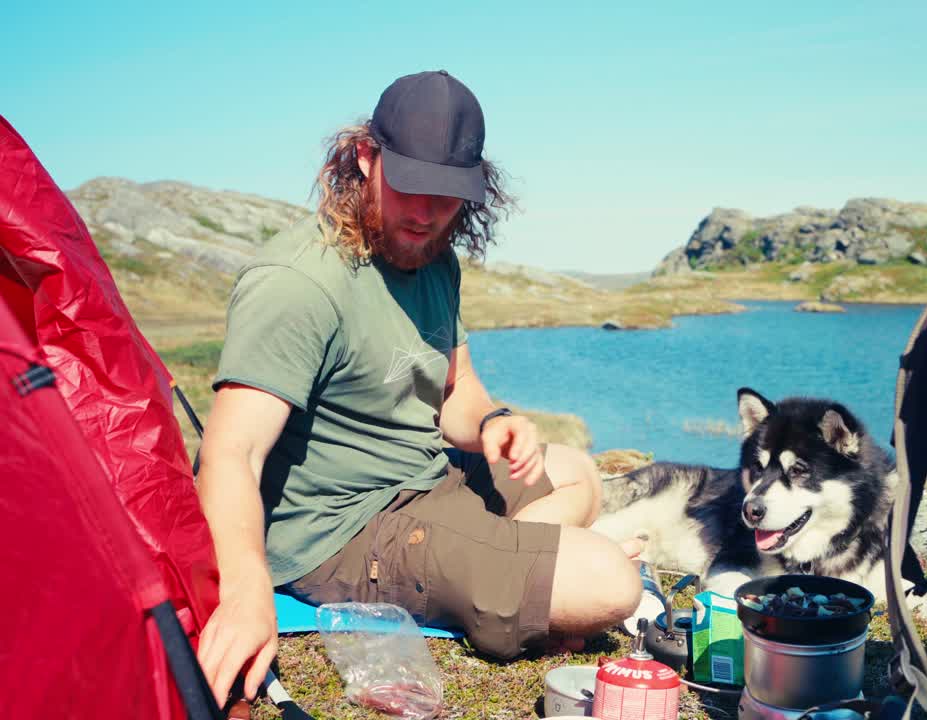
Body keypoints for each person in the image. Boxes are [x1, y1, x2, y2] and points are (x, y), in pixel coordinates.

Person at [194, 70, 642, 705]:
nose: (427, 214)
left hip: (427, 480)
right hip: (344, 529)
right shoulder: (296, 283)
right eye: (410, 187)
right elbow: (230, 453)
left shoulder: (435, 256)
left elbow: (455, 391)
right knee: (614, 583)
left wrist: (493, 422)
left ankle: (508, 575)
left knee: (580, 474)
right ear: (364, 157)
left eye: (448, 196)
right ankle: (515, 582)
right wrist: (243, 594)